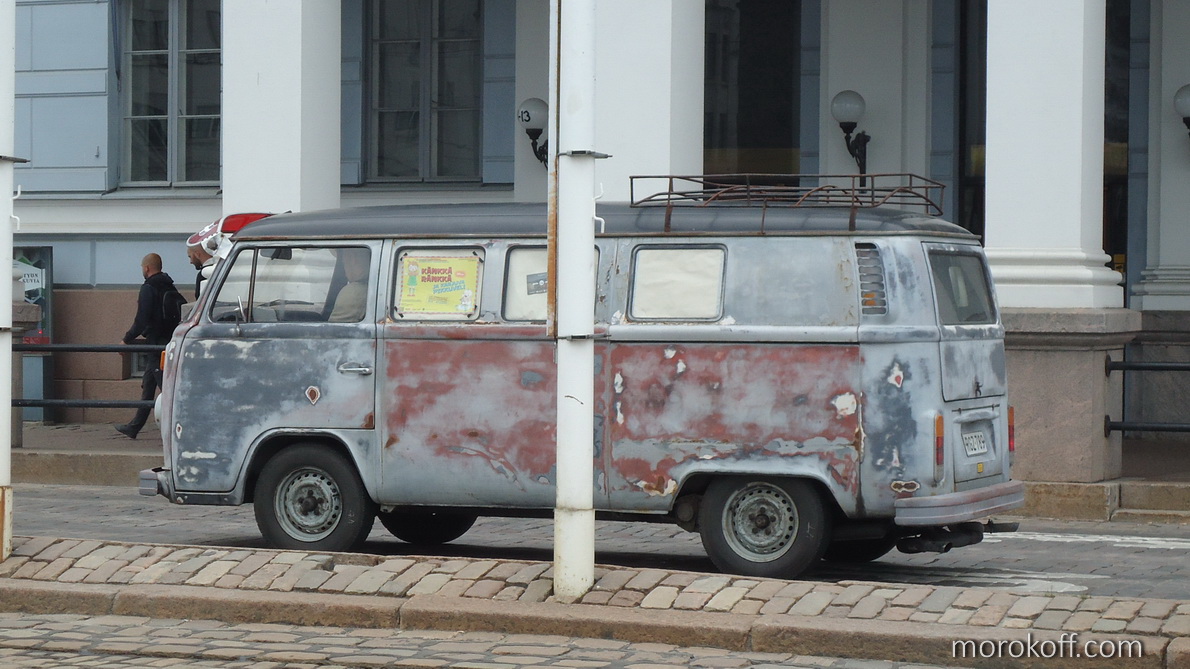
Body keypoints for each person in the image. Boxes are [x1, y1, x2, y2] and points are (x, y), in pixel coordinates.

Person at [115, 253, 180, 439]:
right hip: (168, 341)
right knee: (149, 386)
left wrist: (126, 339)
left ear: (146, 268)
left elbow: (142, 319)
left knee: (167, 388)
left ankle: (179, 427)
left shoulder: (149, 288)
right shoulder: (169, 285)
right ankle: (134, 427)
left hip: (156, 344)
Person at [327, 248, 370, 322]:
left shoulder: (354, 292)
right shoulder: (371, 290)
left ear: (352, 258)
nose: (343, 261)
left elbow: (333, 328)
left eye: (343, 256)